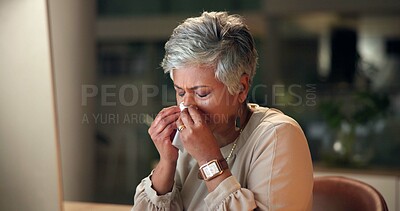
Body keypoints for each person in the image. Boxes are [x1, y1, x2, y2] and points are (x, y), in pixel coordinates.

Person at [132, 11, 313, 210]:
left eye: (201, 94)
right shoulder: (184, 142)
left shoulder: (277, 135)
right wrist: (167, 160)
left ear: (241, 88)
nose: (187, 107)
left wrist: (208, 158)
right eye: (180, 92)